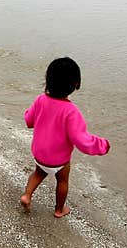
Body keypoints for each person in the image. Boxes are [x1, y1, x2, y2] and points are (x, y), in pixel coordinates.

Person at [20, 57, 111, 218]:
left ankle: (27, 195)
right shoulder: (71, 111)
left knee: (38, 173)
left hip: (39, 154)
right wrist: (102, 145)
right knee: (62, 181)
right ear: (76, 84)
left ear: (47, 80)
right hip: (59, 160)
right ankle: (59, 209)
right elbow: (82, 141)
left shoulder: (41, 100)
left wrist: (29, 115)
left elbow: (29, 120)